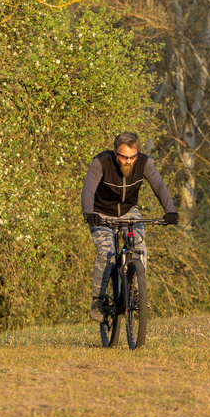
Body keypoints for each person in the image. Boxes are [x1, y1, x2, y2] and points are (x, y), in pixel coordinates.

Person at [81, 131, 178, 322]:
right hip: (101, 213)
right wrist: (88, 213)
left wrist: (171, 211)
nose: (128, 161)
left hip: (129, 211)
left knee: (139, 249)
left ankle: (136, 293)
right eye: (124, 157)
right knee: (106, 253)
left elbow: (158, 186)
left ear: (137, 153)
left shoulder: (143, 162)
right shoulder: (101, 162)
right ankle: (97, 302)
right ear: (115, 153)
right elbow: (88, 188)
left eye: (132, 157)